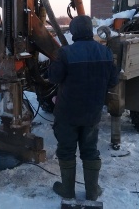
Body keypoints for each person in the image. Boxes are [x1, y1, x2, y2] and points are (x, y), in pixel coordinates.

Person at [48, 15, 118, 201]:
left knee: (66, 150)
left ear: (74, 32)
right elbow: (113, 81)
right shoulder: (106, 53)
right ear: (90, 30)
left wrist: (53, 62)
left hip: (67, 113)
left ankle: (67, 191)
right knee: (90, 150)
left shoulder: (65, 53)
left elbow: (54, 77)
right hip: (92, 112)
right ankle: (92, 191)